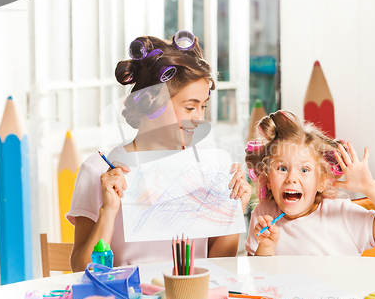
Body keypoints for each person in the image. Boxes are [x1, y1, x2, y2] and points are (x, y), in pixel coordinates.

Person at [68, 31, 251, 272]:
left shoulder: (207, 167)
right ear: (152, 102)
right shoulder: (99, 170)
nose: (200, 119)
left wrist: (233, 210)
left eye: (203, 107)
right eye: (190, 107)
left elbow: (218, 268)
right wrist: (109, 211)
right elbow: (81, 269)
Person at [245, 110, 375, 256]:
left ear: (322, 182)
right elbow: (258, 278)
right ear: (267, 179)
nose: (291, 178)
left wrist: (370, 187)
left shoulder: (342, 214)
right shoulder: (263, 215)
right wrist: (266, 246)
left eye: (304, 170)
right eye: (282, 168)